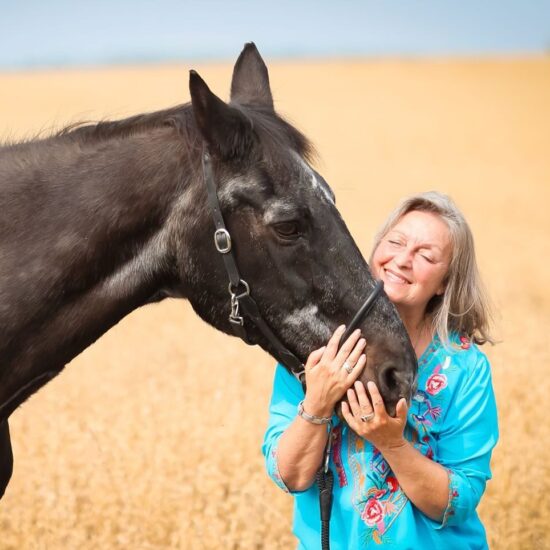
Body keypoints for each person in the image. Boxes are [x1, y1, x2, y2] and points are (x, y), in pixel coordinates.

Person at [262, 192, 498, 549]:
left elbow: (458, 502)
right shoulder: (312, 346)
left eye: (425, 255)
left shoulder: (465, 369)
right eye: (396, 242)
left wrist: (392, 444)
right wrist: (317, 404)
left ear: (445, 283)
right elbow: (289, 477)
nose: (403, 260)